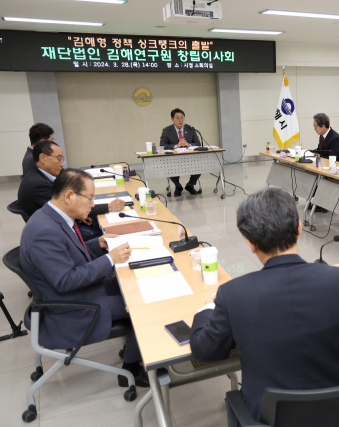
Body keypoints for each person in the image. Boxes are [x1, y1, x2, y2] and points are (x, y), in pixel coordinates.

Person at [190, 187, 339, 420]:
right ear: (298, 228)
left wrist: (207, 309)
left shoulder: (233, 294)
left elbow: (204, 350)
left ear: (250, 242)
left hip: (273, 417)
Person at [20, 168, 149, 387]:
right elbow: (65, 280)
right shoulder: (44, 231)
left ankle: (134, 347)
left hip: (80, 291)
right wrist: (110, 259)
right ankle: (132, 368)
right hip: (72, 307)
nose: (92, 205)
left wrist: (96, 244)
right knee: (141, 303)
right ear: (69, 196)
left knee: (137, 284)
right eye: (90, 198)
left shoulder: (52, 216)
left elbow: (68, 254)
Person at [17, 140, 124, 221]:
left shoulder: (45, 173)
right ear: (43, 158)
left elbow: (70, 177)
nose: (62, 163)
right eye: (58, 158)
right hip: (61, 231)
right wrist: (108, 206)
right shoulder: (37, 184)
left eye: (62, 159)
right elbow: (67, 208)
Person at [159, 108, 202, 196]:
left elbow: (198, 143)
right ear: (172, 119)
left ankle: (190, 185)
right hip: (173, 159)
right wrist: (176, 146)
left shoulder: (191, 129)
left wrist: (188, 144)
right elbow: (162, 145)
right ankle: (178, 186)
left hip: (190, 158)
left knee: (200, 164)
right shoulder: (166, 130)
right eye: (177, 118)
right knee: (169, 167)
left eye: (182, 117)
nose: (180, 120)